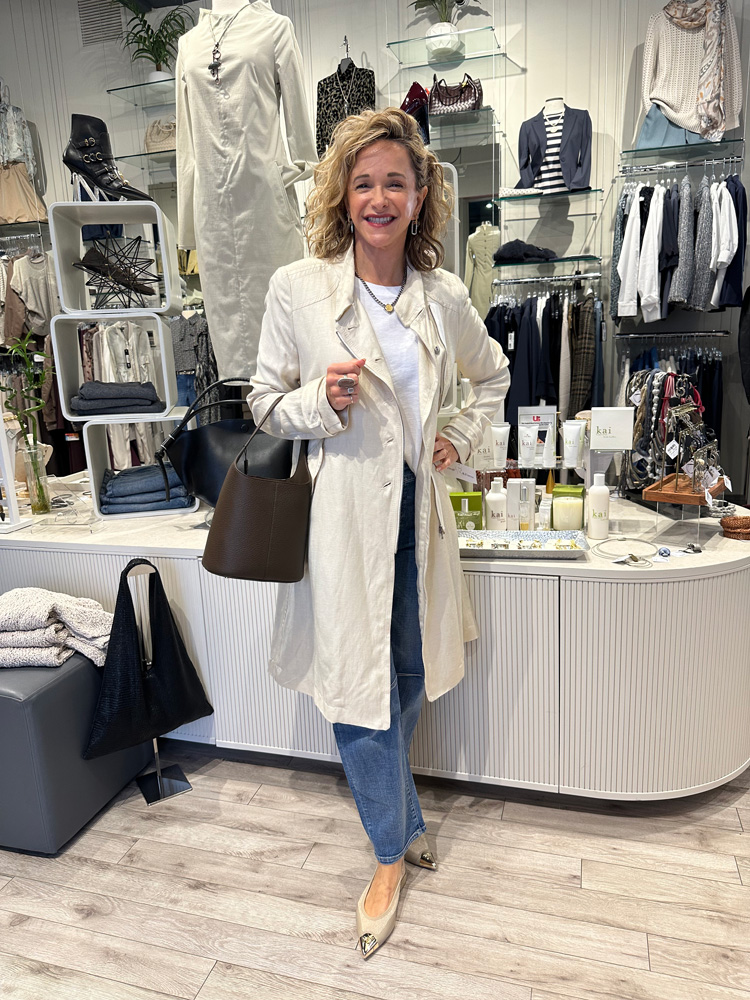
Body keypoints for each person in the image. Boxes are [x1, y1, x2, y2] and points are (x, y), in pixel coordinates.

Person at [249, 108, 510, 958]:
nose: (379, 198)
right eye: (363, 183)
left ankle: (405, 817)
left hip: (418, 522)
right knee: (354, 689)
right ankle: (390, 853)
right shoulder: (299, 289)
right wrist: (318, 403)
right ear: (342, 194)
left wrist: (460, 436)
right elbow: (263, 403)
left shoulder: (444, 296)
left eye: (395, 181)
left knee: (405, 676)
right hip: (342, 526)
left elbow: (494, 376)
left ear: (421, 194)